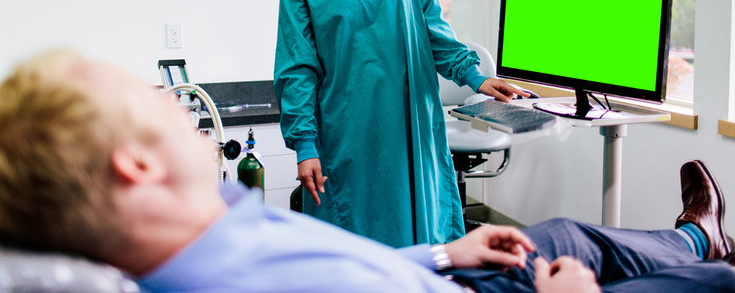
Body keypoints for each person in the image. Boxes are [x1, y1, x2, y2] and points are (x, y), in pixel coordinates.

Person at [0, 51, 734, 293]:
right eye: (147, 98)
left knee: (571, 232)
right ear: (134, 165)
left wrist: (444, 252)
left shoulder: (209, 228)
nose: (171, 98)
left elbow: (339, 263)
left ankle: (699, 236)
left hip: (444, 273)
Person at [274, 0, 528, 248]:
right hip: (350, 129)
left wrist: (474, 76)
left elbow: (431, 24)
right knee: (360, 236)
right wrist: (305, 145)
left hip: (411, 122)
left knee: (423, 230)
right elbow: (297, 69)